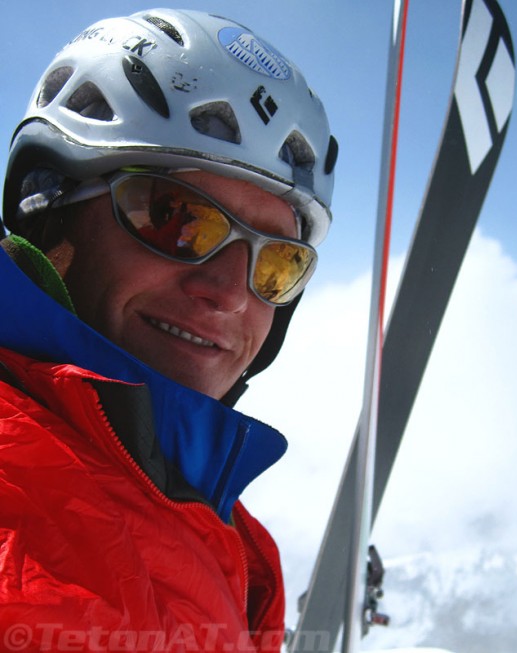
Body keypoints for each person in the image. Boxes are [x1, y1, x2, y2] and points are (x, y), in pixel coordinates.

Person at [0, 8, 337, 652]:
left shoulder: (221, 532)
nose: (230, 297)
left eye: (277, 263)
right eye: (176, 218)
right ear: (46, 212)